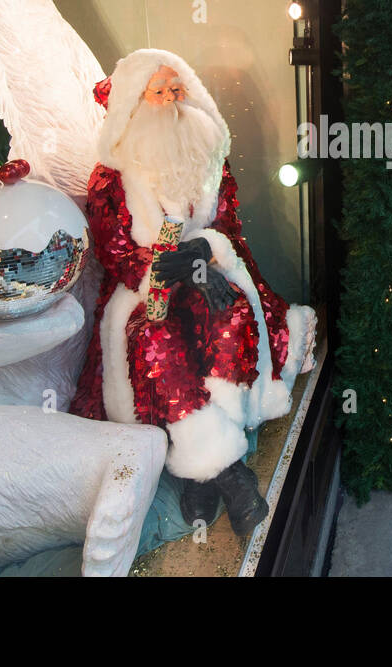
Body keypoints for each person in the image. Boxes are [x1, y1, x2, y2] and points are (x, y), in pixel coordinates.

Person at [71, 49, 317, 535]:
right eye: (158, 91)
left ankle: (199, 475)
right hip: (146, 292)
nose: (170, 100)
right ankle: (228, 475)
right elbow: (119, 256)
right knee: (154, 340)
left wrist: (206, 258)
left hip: (207, 270)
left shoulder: (207, 157)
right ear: (135, 103)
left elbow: (228, 226)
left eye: (176, 89)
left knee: (233, 314)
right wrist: (176, 270)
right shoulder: (111, 177)